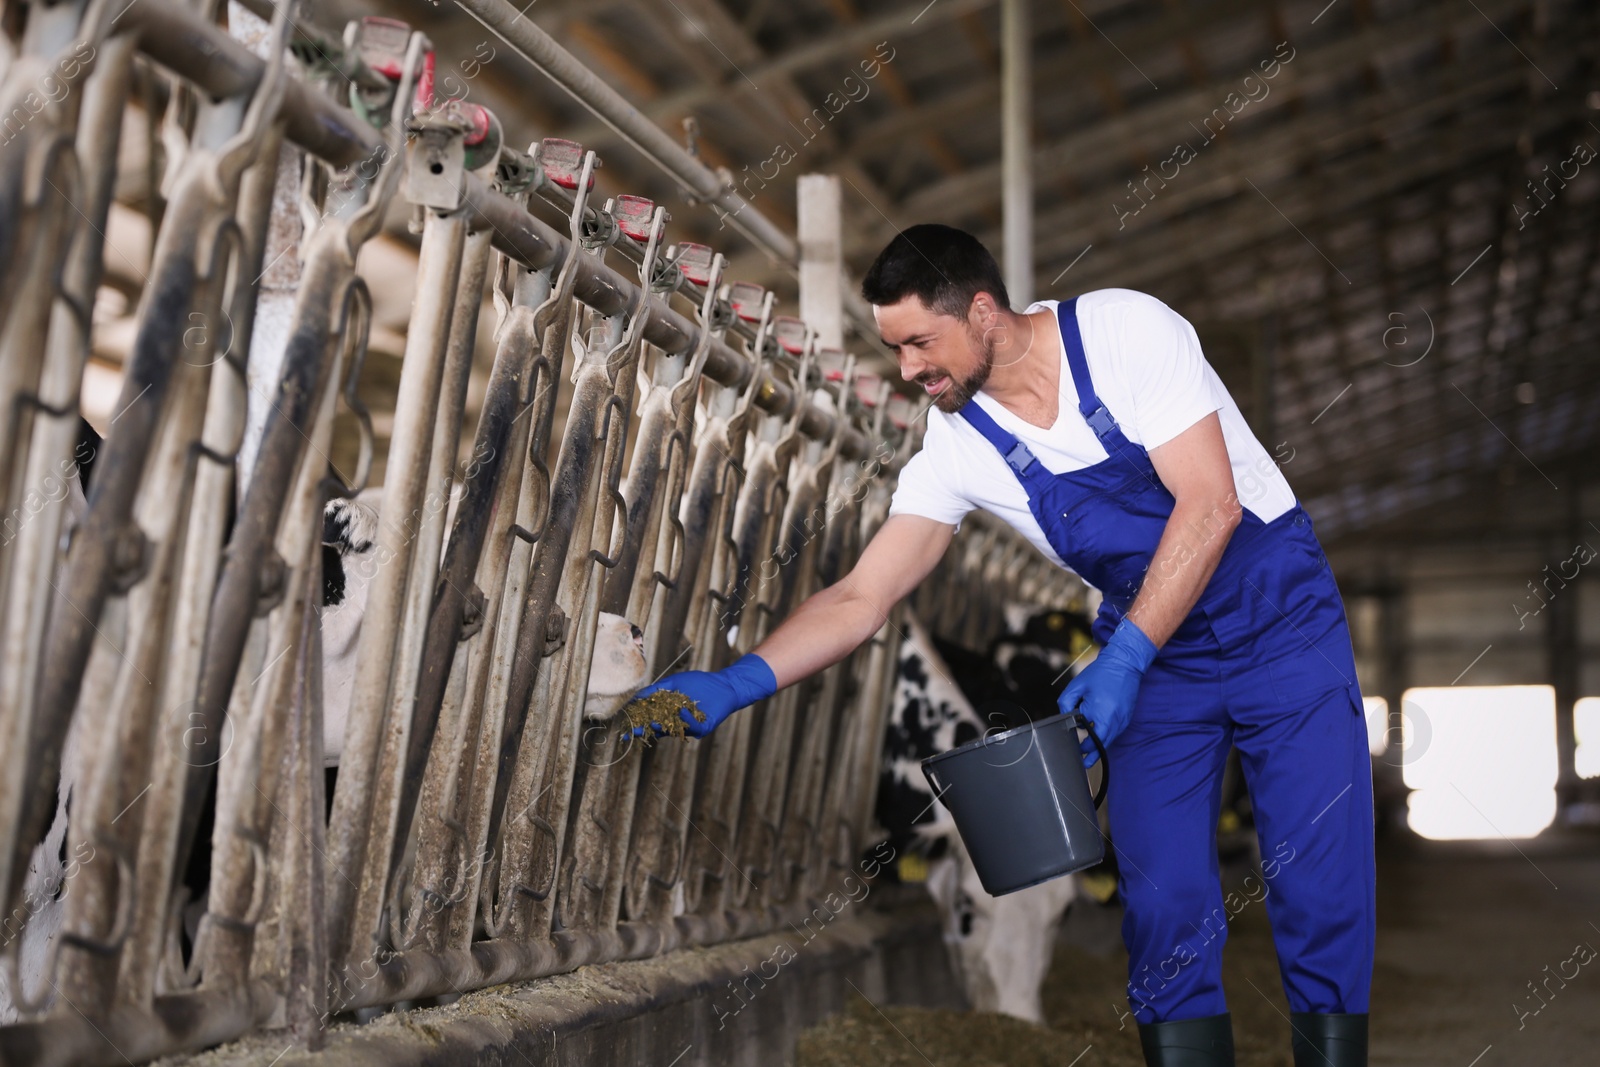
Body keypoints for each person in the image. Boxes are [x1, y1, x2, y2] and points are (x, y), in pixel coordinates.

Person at [628, 224, 1375, 1067]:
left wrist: (1125, 657)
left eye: (919, 341)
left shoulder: (1127, 332)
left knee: (1318, 882)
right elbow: (863, 594)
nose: (907, 368)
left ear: (983, 311)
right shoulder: (957, 448)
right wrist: (738, 681)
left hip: (1280, 627)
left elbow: (1210, 505)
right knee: (1163, 899)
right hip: (1160, 659)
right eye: (895, 348)